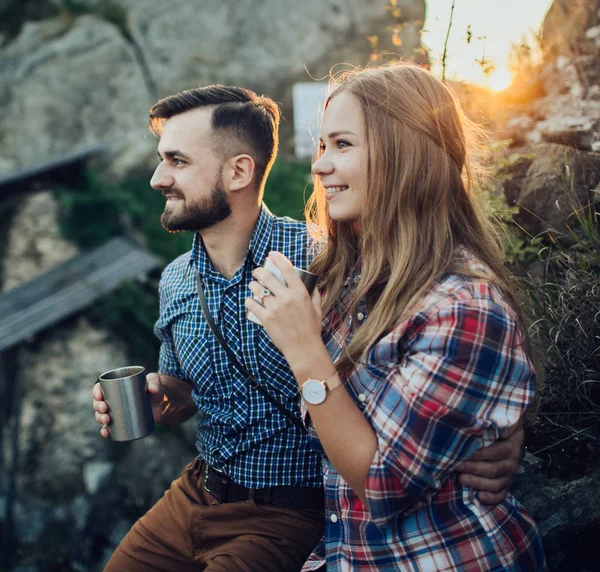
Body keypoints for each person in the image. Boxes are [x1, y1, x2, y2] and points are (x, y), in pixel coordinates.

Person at [92, 84, 527, 571]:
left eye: (176, 160)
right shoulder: (175, 280)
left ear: (239, 171)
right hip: (200, 489)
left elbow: (453, 348)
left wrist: (496, 435)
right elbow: (185, 391)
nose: (157, 178)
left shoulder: (326, 260)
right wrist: (163, 398)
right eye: (324, 146)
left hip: (294, 510)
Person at [246, 63, 545, 571]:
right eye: (322, 146)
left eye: (342, 145)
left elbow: (383, 485)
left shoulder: (463, 309)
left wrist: (304, 349)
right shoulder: (351, 273)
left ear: (403, 154)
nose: (319, 167)